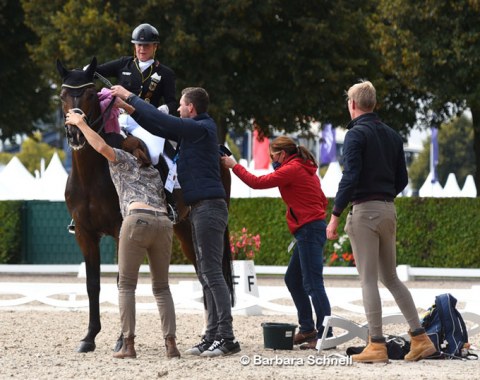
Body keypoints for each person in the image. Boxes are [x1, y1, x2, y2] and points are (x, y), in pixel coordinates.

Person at [109, 84, 241, 358]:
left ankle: (226, 337)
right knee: (207, 271)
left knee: (212, 273)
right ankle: (212, 334)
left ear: (190, 108)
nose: (179, 108)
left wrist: (128, 95)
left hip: (208, 208)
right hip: (199, 208)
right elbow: (158, 127)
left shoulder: (202, 127)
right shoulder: (192, 132)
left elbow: (163, 120)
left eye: (181, 105)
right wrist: (129, 109)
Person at [326, 80, 436, 363]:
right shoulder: (392, 136)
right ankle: (420, 338)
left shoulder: (355, 135)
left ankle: (376, 344)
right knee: (391, 277)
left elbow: (349, 177)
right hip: (389, 209)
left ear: (352, 104)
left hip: (365, 212)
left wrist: (335, 215)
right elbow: (403, 179)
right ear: (373, 103)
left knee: (368, 280)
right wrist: (384, 195)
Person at [65, 109, 181, 360]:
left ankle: (128, 344)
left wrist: (81, 123)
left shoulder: (121, 160)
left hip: (136, 220)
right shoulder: (152, 171)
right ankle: (171, 344)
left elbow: (99, 145)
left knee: (126, 286)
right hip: (163, 223)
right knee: (162, 288)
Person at [222, 136, 332, 350]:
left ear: (282, 155)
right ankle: (308, 328)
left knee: (313, 283)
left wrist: (234, 166)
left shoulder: (291, 169)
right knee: (293, 279)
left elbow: (258, 182)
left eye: (273, 156)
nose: (272, 160)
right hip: (311, 228)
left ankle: (325, 334)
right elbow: (322, 200)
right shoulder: (304, 168)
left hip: (309, 230)